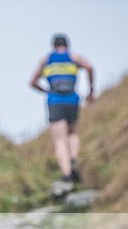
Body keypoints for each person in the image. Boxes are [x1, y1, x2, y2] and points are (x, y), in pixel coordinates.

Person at [30, 33, 95, 195]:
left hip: (55, 101)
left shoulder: (47, 60)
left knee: (59, 140)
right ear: (67, 45)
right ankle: (73, 158)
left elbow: (32, 82)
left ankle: (66, 176)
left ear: (53, 46)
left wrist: (46, 91)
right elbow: (90, 67)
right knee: (72, 133)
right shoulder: (73, 57)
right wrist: (91, 91)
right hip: (72, 99)